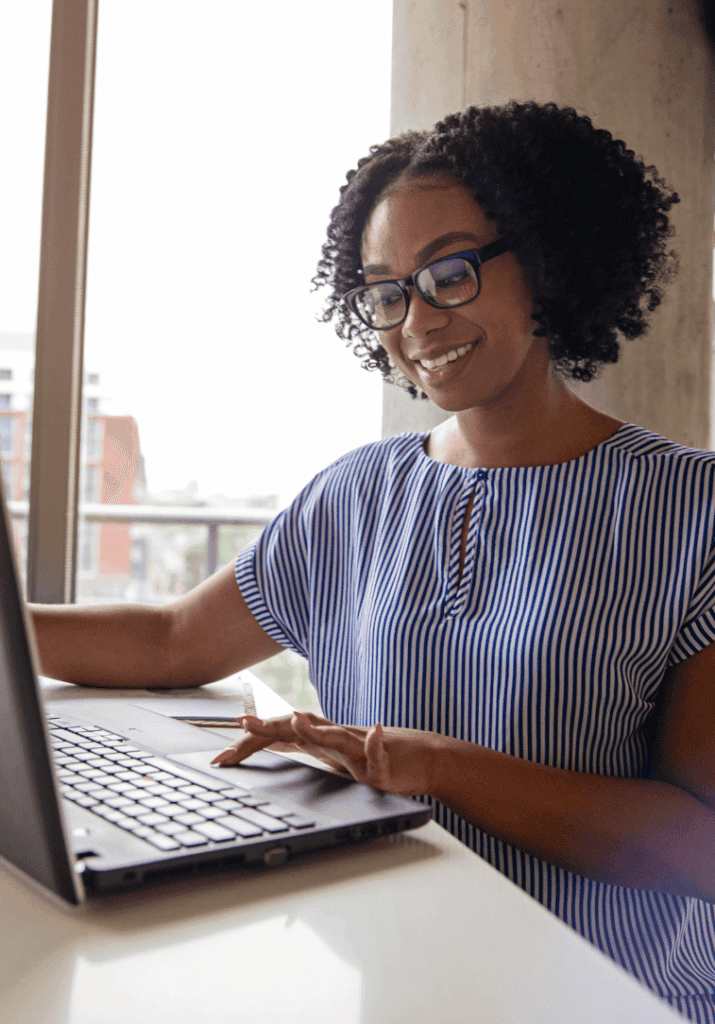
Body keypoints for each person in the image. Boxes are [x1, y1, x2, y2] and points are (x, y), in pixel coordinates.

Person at [31, 101, 715, 1020]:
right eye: (387, 290)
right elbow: (168, 640)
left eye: (450, 273)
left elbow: (694, 849)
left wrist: (432, 763)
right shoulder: (354, 495)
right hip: (380, 965)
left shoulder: (692, 510)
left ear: (548, 260)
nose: (416, 321)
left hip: (592, 992)